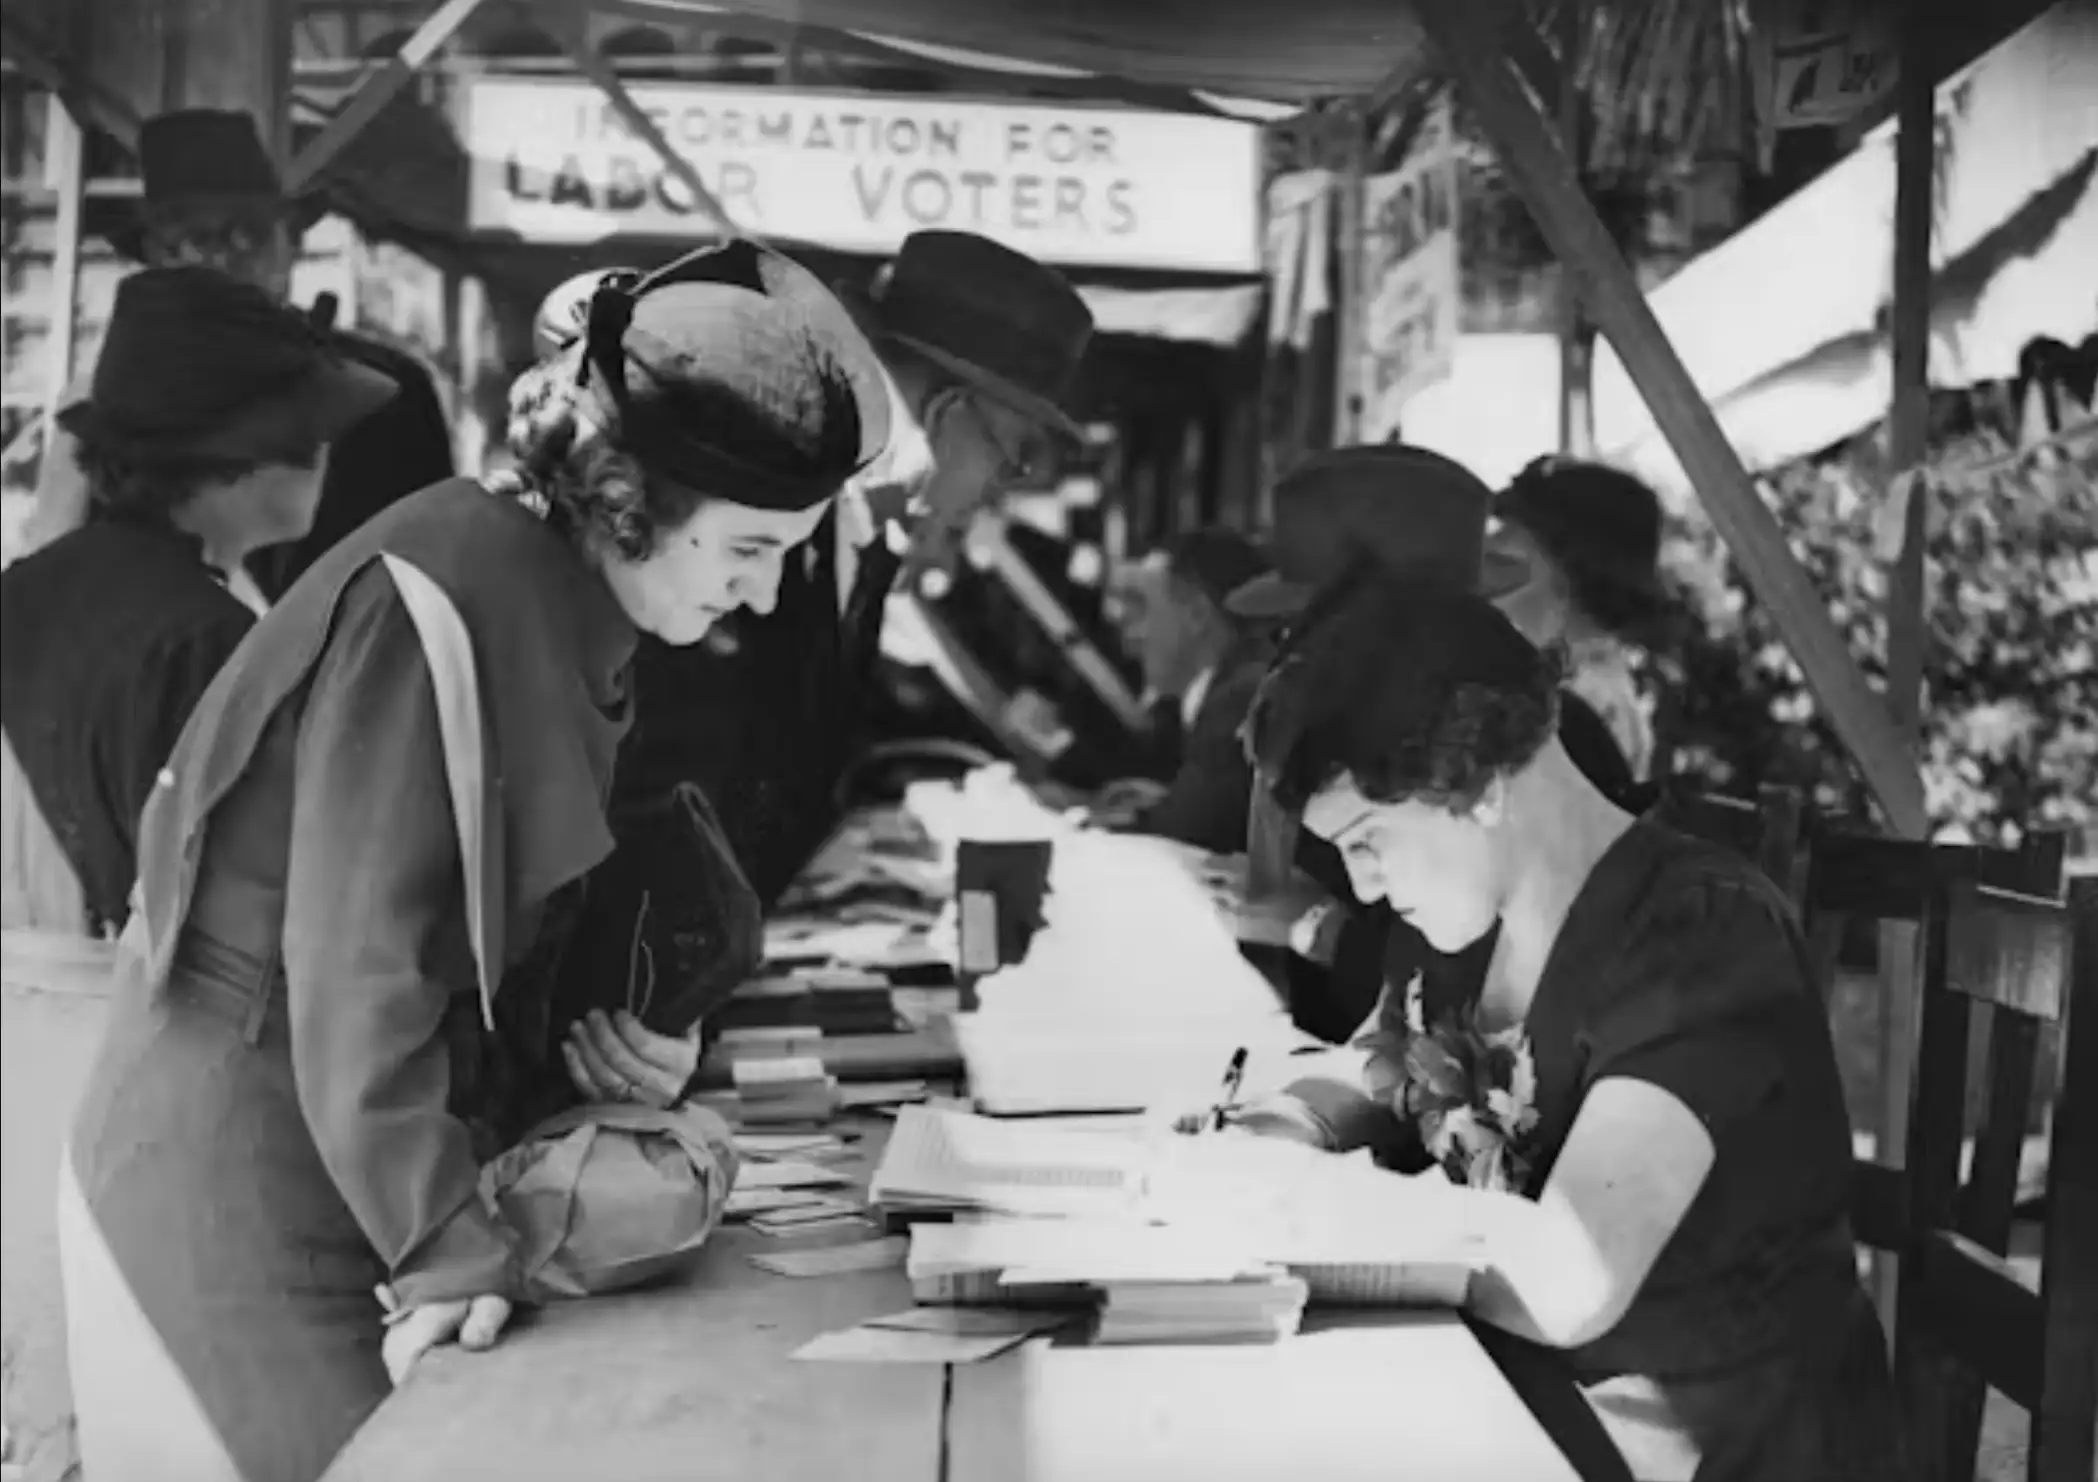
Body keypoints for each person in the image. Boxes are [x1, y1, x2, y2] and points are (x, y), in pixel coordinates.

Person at [57, 239, 891, 1482]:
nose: (763, 601)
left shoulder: (559, 598)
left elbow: (500, 927)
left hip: (362, 1151)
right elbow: (359, 960)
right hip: (241, 1170)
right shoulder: (441, 597)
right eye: (747, 551)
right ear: (629, 500)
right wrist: (444, 1239)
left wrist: (619, 1040)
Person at [1226, 575, 1901, 1482]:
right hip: (1528, 1423)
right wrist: (1272, 1135)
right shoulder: (1459, 928)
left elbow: (1569, 1277)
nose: (1364, 887)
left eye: (1366, 839)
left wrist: (1315, 1207)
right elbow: (1369, 1074)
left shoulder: (1700, 932)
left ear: (1472, 782)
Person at [604, 230, 1095, 907]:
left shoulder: (867, 527)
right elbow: (667, 752)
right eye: (1012, 455)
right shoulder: (766, 483)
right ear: (949, 415)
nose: (1000, 489)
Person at [2, 266, 395, 937]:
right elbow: (239, 923)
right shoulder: (202, 640)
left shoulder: (26, 589)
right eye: (312, 429)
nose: (328, 452)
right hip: (136, 1028)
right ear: (246, 454)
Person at [1223, 445, 1641, 1044]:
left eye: (1309, 623)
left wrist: (1319, 928)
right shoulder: (1327, 726)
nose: (1295, 652)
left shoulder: (1530, 735)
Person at [26, 109, 454, 597]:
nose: (223, 257)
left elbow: (440, 566)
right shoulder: (100, 406)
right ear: (157, 257)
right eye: (193, 239)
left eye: (247, 233)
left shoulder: (390, 391)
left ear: (292, 241)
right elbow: (51, 574)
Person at [1489, 456, 1669, 783]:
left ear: (1569, 576)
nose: (1484, 585)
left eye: (1502, 563)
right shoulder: (1549, 685)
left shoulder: (1588, 707)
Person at [1098, 529, 1275, 852]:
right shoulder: (1238, 684)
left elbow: (1179, 837)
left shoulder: (1239, 698)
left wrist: (1084, 818)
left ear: (1196, 614)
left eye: (1142, 609)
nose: (1129, 637)